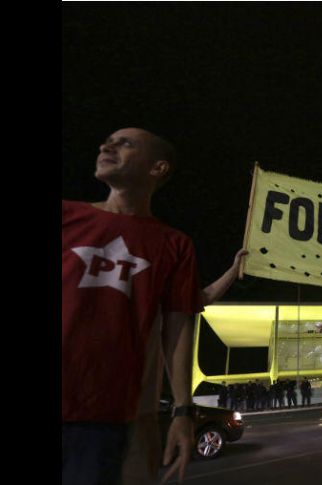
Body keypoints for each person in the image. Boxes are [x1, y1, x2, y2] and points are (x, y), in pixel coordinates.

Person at [63, 128, 203, 485]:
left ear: (157, 168)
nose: (105, 145)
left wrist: (183, 411)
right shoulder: (67, 217)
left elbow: (178, 329)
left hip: (101, 417)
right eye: (107, 140)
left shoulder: (175, 245)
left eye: (125, 143)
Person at [121, 248, 249, 485]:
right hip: (84, 412)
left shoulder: (169, 246)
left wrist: (233, 272)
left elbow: (200, 298)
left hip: (139, 414)